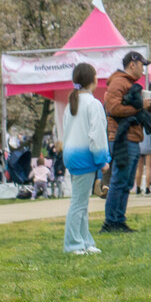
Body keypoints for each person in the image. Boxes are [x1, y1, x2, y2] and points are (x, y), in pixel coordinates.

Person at [102, 50, 151, 234]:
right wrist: (140, 106)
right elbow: (113, 108)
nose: (143, 70)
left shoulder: (128, 83)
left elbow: (138, 110)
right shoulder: (119, 82)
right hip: (122, 138)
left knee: (126, 182)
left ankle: (118, 220)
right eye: (142, 65)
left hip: (131, 138)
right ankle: (111, 222)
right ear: (132, 64)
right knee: (119, 181)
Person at [61, 61, 108, 254]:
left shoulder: (71, 105)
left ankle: (85, 241)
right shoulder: (93, 104)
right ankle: (73, 244)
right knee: (79, 203)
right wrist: (102, 159)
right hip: (85, 157)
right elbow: (97, 135)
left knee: (81, 202)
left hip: (72, 156)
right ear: (93, 80)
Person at [133, 80, 151, 195]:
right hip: (149, 138)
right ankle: (147, 187)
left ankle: (138, 187)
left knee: (139, 167)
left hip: (139, 138)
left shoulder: (139, 107)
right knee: (148, 166)